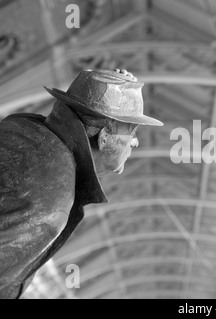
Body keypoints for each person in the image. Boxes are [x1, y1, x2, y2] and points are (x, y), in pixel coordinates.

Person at [0, 69, 163, 298]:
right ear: (104, 137)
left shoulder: (21, 129)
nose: (135, 142)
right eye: (132, 131)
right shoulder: (52, 201)